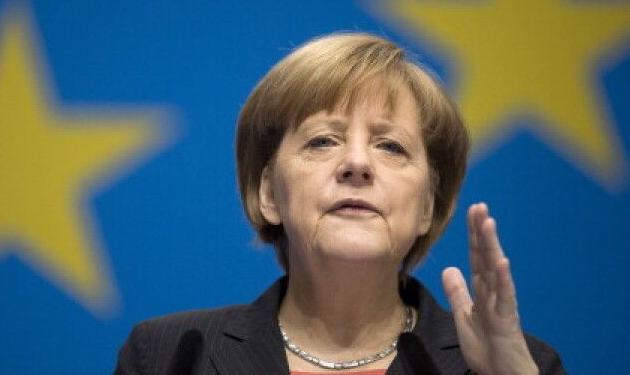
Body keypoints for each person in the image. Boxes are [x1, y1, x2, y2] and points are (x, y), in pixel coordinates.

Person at [114, 33, 565, 374]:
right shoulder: (168, 356)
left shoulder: (516, 364)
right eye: (323, 141)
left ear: (428, 205)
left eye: (390, 146)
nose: (357, 163)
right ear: (269, 193)